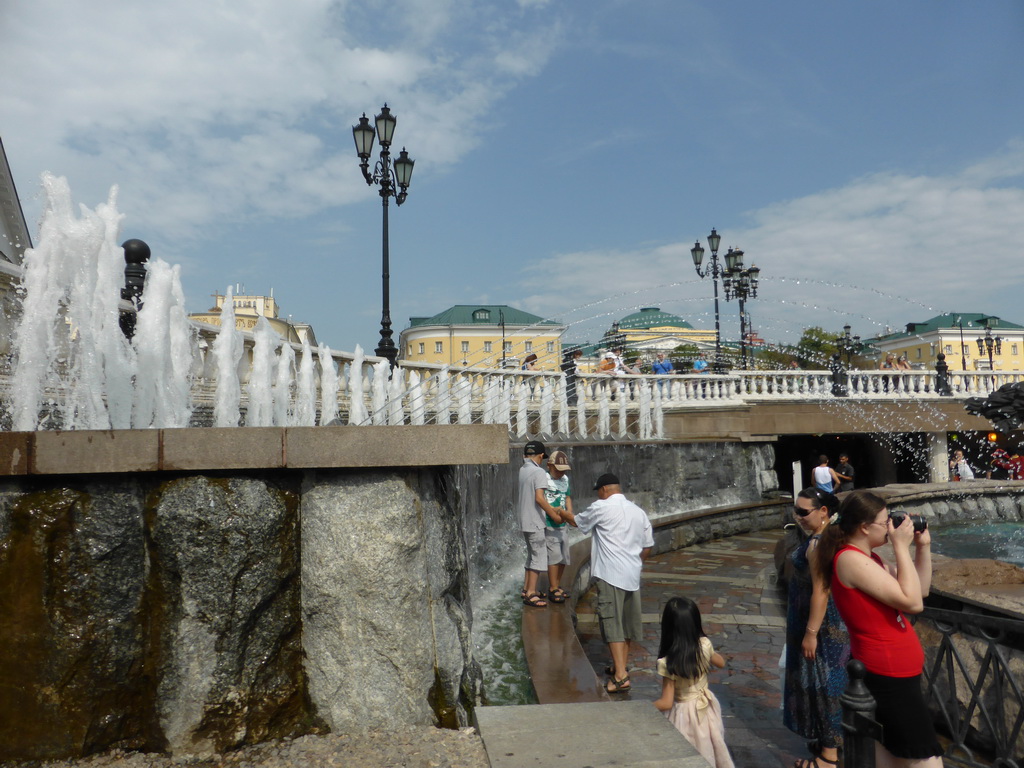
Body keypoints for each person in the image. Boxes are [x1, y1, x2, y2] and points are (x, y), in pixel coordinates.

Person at [814, 491, 943, 767]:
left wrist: (923, 547)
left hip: (896, 670)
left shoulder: (869, 558)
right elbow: (912, 603)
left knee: (890, 755)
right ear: (863, 527)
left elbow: (919, 590)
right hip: (888, 671)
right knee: (925, 758)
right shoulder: (849, 559)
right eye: (885, 522)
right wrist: (900, 546)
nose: (891, 527)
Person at [560, 472, 653, 694]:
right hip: (632, 576)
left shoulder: (601, 507)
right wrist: (635, 563)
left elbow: (577, 522)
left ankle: (620, 677)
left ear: (603, 490)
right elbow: (647, 546)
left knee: (612, 625)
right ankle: (619, 666)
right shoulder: (638, 512)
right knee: (626, 625)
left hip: (611, 575)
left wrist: (562, 512)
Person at [785, 489, 850, 768]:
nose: (798, 517)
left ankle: (829, 758)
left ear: (823, 511)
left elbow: (821, 591)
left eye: (804, 512)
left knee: (824, 686)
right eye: (795, 511)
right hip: (822, 623)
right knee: (826, 684)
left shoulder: (817, 544)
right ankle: (830, 744)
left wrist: (811, 634)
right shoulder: (827, 536)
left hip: (822, 628)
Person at [653, 596, 735, 768]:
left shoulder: (669, 663)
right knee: (710, 746)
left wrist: (645, 707)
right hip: (707, 707)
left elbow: (666, 702)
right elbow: (720, 662)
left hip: (683, 714)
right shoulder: (705, 645)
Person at [518, 440, 563, 607]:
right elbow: (539, 498)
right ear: (541, 456)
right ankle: (531, 593)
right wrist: (553, 514)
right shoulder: (538, 473)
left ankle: (526, 589)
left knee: (531, 554)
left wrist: (552, 508)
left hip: (524, 518)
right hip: (535, 520)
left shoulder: (523, 469)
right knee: (538, 556)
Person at [543, 450, 573, 604]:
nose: (561, 474)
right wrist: (553, 512)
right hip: (549, 523)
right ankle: (553, 587)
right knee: (554, 556)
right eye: (558, 470)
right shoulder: (544, 479)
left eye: (563, 471)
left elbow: (567, 497)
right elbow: (541, 500)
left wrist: (570, 513)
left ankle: (557, 583)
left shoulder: (565, 479)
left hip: (563, 524)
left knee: (563, 556)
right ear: (549, 465)